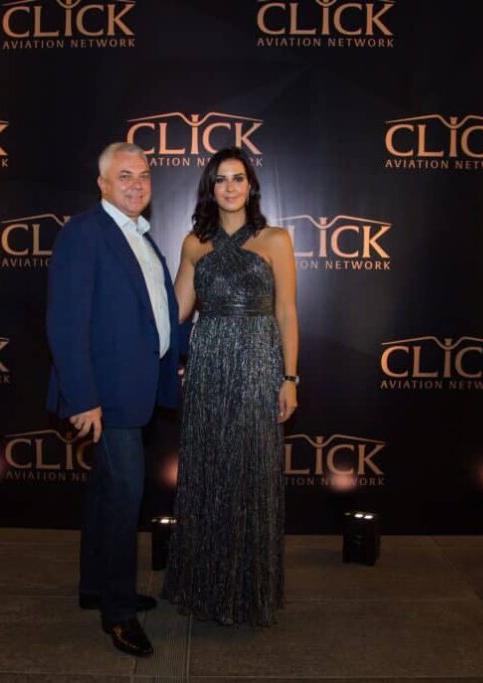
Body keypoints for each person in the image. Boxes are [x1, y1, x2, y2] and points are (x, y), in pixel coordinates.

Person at [46, 141, 179, 657]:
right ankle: (119, 613)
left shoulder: (140, 236)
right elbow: (66, 322)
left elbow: (152, 312)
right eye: (124, 175)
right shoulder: (85, 233)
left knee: (106, 494)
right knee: (125, 499)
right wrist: (83, 397)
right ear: (102, 183)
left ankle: (96, 586)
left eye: (143, 175)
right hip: (106, 395)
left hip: (135, 390)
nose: (136, 184)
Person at [161, 146, 299, 626]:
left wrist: (289, 377)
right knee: (208, 472)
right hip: (209, 368)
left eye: (238, 178)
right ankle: (206, 586)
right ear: (210, 189)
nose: (230, 187)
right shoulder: (194, 244)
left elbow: (287, 313)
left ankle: (248, 591)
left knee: (252, 474)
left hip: (260, 365)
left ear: (251, 185)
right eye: (220, 179)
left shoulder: (276, 240)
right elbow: (176, 311)